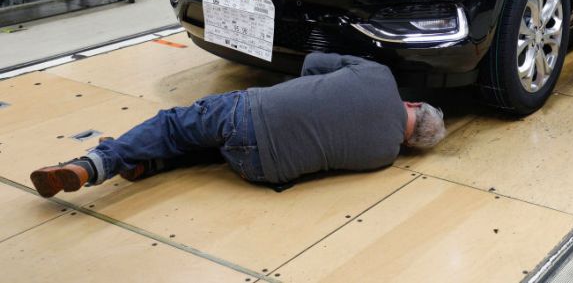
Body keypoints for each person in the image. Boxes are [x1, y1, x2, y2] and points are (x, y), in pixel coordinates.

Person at [30, 53, 447, 198]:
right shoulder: (383, 157)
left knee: (174, 124)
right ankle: (145, 165)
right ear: (411, 145)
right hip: (262, 171)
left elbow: (311, 66)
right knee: (214, 145)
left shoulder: (380, 78)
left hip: (250, 116)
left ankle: (93, 164)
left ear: (412, 103)